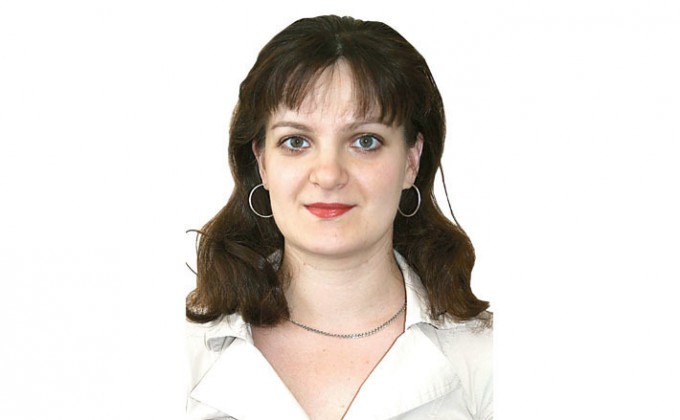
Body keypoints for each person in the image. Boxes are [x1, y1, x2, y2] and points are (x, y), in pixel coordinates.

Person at [186, 15, 492, 420]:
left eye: (365, 141)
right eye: (296, 141)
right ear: (262, 162)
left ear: (411, 161)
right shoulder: (183, 353)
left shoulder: (488, 360)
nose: (328, 174)